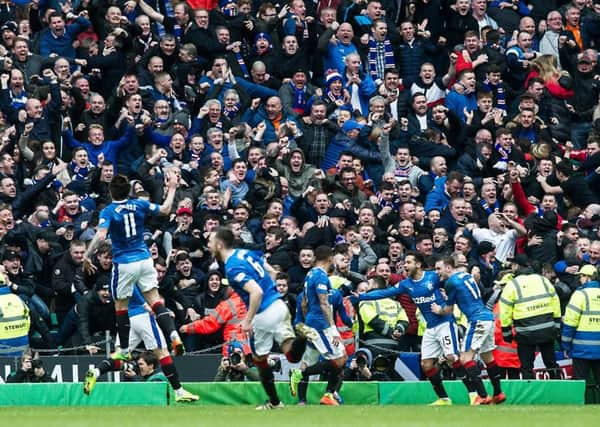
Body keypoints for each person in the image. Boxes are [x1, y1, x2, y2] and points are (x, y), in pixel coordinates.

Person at [83, 173, 185, 357]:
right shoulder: (139, 204)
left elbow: (100, 236)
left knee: (120, 305)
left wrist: (87, 255)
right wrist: (171, 188)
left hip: (124, 263)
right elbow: (165, 209)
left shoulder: (108, 211)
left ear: (110, 191)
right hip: (145, 260)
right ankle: (174, 335)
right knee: (155, 301)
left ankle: (123, 349)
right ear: (128, 191)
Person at [208, 227, 306, 410]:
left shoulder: (232, 266)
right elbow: (270, 270)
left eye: (210, 241)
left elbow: (256, 292)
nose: (208, 244)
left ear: (219, 244)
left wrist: (247, 320)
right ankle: (304, 338)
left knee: (259, 360)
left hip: (263, 313)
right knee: (291, 355)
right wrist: (273, 280)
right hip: (279, 305)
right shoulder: (245, 252)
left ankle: (275, 402)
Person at [354, 252, 460, 405]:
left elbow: (453, 281)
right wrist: (361, 296)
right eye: (404, 262)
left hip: (444, 323)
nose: (405, 265)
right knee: (426, 365)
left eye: (408, 262)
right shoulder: (406, 284)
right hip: (430, 328)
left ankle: (474, 392)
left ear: (418, 264)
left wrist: (450, 299)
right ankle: (444, 399)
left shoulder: (433, 277)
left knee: (451, 357)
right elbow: (385, 292)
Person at [83, 287, 198, 402]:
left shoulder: (115, 276)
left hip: (127, 318)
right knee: (163, 353)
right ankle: (179, 392)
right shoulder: (137, 271)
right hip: (143, 315)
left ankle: (96, 372)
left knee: (119, 355)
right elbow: (135, 286)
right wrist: (145, 305)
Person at [433, 256, 506, 405]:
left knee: (465, 358)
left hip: (477, 320)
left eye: (438, 268)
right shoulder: (465, 275)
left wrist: (438, 310)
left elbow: (448, 309)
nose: (436, 272)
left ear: (448, 267)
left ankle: (483, 395)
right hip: (487, 317)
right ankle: (498, 393)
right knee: (488, 357)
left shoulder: (450, 282)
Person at [289, 246, 349, 406]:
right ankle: (300, 374)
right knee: (340, 359)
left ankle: (324, 396)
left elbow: (303, 303)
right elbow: (324, 303)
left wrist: (308, 319)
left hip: (312, 321)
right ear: (329, 259)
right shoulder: (321, 277)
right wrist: (332, 328)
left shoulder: (310, 274)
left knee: (310, 359)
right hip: (321, 324)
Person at [499, 265, 562, 379]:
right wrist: (556, 326)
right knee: (551, 363)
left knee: (526, 366)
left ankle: (530, 390)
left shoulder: (512, 284)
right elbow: (555, 302)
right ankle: (557, 387)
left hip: (525, 333)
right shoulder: (543, 280)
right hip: (546, 329)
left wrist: (506, 333)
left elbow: (505, 311)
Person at [562, 265, 600, 384]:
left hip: (581, 349)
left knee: (579, 384)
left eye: (581, 276)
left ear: (588, 277)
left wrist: (566, 346)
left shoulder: (580, 295)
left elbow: (569, 323)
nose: (580, 279)